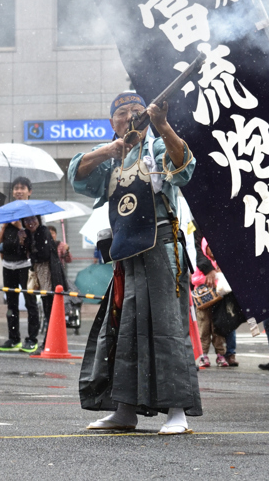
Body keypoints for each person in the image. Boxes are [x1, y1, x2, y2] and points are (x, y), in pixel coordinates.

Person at [70, 91, 198, 435]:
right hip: (126, 253)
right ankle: (124, 409)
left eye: (137, 111)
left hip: (161, 246)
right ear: (112, 122)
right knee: (123, 331)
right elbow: (77, 176)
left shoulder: (156, 148)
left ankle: (177, 412)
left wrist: (163, 125)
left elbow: (184, 168)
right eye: (122, 112)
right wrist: (108, 150)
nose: (130, 116)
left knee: (167, 329)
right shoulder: (111, 159)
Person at [0, 177, 41, 353]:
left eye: (22, 188)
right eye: (16, 188)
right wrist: (5, 225)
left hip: (26, 264)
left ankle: (32, 339)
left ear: (29, 191)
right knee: (11, 304)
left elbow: (36, 235)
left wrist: (19, 224)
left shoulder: (33, 210)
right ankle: (14, 339)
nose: (19, 191)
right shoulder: (8, 211)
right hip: (8, 264)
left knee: (30, 302)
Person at [24, 215, 68, 353]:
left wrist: (32, 254)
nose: (31, 223)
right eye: (27, 220)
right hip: (42, 275)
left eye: (33, 219)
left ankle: (48, 343)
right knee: (48, 308)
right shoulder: (30, 234)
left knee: (50, 308)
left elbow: (43, 253)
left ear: (38, 219)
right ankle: (49, 342)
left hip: (49, 275)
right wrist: (24, 240)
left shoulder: (42, 231)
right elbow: (26, 253)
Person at [194, 239, 229, 368]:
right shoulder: (203, 263)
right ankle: (203, 354)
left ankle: (221, 354)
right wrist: (208, 277)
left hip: (219, 300)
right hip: (204, 300)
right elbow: (194, 278)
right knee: (203, 327)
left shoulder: (219, 262)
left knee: (218, 328)